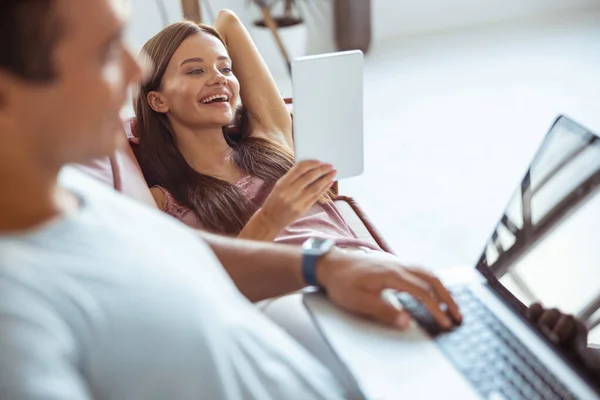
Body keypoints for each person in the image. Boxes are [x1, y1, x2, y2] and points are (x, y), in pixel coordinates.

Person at [0, 1, 461, 399]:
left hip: (336, 296)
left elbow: (182, 257)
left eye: (223, 67)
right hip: (298, 317)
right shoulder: (19, 317)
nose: (134, 72)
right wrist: (277, 221)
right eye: (103, 53)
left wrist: (321, 265)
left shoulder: (76, 197)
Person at [134, 11, 383, 253]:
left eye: (226, 68)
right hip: (300, 289)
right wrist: (269, 219)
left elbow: (228, 21)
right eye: (195, 71)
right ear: (157, 101)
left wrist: (200, 35)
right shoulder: (164, 203)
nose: (219, 78)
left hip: (364, 261)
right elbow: (210, 283)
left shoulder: (268, 139)